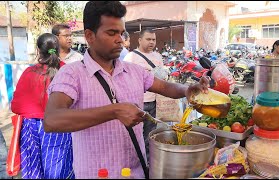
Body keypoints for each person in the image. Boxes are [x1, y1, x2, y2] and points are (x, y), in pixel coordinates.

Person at [43, 1, 209, 179]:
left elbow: (165, 87)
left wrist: (187, 90)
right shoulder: (72, 74)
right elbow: (52, 120)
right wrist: (113, 111)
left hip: (135, 173)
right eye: (111, 33)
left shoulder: (134, 71)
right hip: (96, 174)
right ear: (89, 36)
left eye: (121, 33)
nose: (120, 40)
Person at [11, 33, 74, 179]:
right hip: (59, 126)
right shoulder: (67, 71)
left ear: (39, 50)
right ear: (58, 49)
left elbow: (16, 106)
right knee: (58, 170)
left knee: (33, 169)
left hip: (31, 127)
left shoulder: (29, 72)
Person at [123, 28, 164, 161]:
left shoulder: (157, 56)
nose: (151, 42)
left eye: (154, 39)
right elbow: (125, 79)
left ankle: (147, 163)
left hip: (154, 102)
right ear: (140, 40)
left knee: (150, 134)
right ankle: (134, 161)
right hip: (137, 103)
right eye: (148, 39)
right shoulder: (131, 57)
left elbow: (162, 77)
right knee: (134, 135)